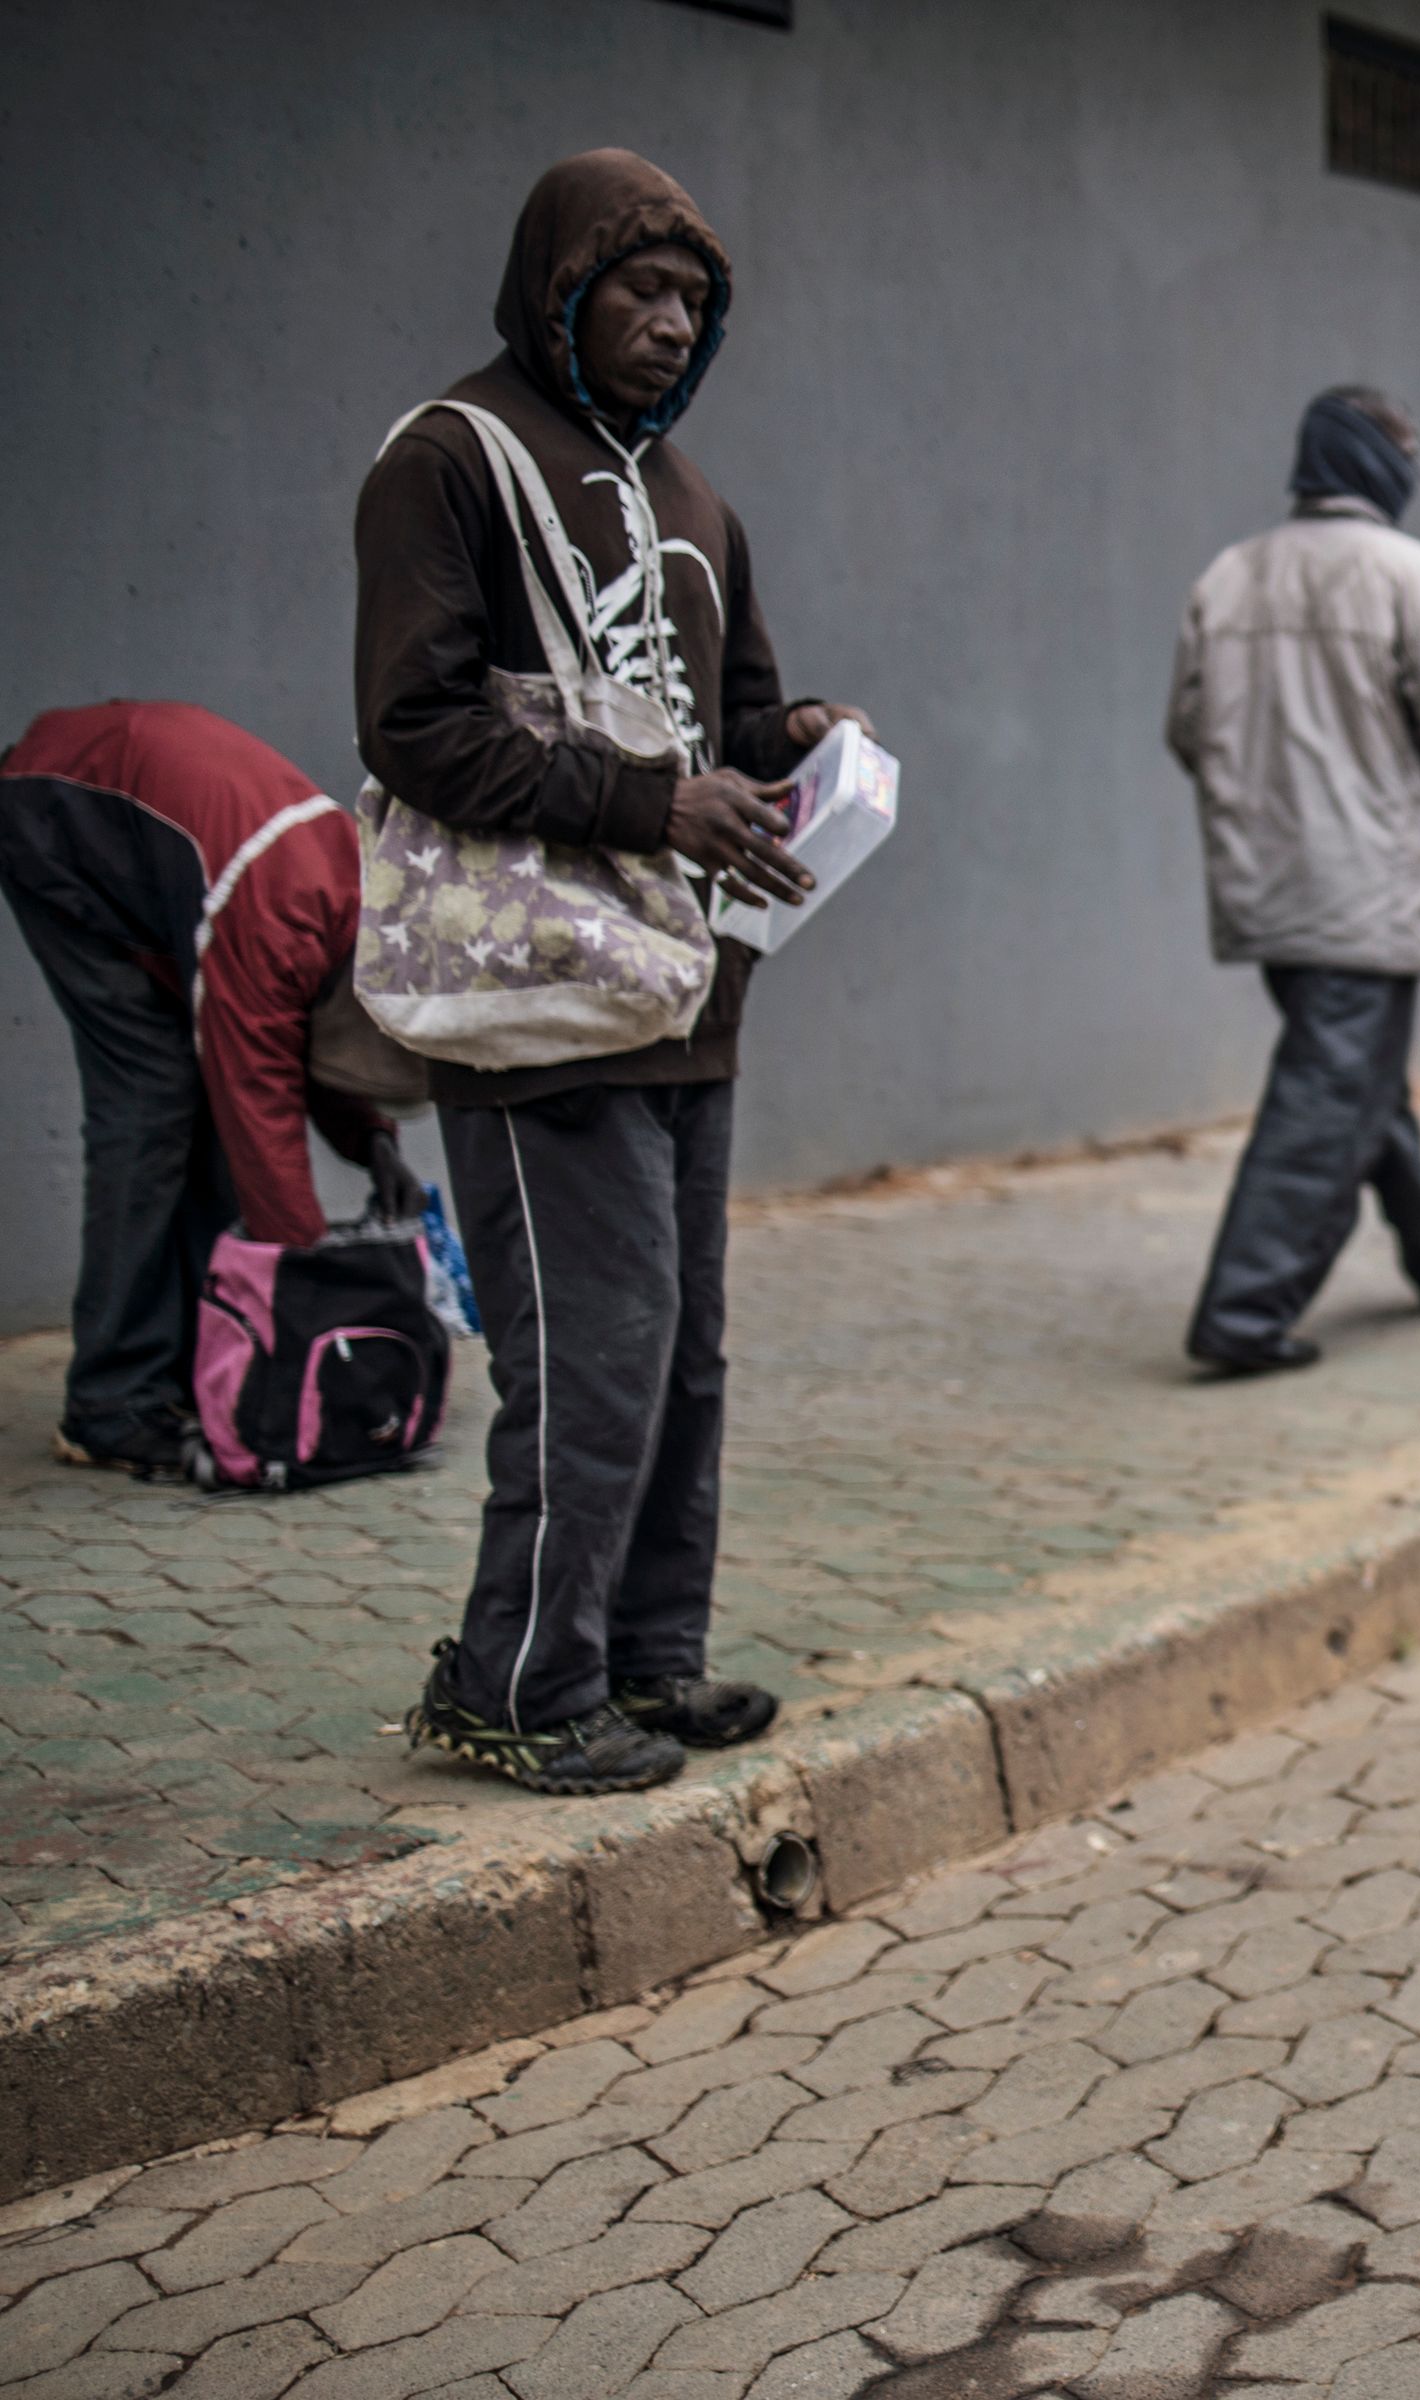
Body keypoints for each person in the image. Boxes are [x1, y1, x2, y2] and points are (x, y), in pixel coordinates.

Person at [356, 150, 871, 1796]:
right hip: (531, 998)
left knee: (678, 1351)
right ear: (558, 288)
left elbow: (734, 724)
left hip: (687, 989)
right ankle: (515, 1683)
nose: (670, 324)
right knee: (592, 1344)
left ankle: (648, 1664)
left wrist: (795, 744)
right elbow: (415, 728)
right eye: (641, 291)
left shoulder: (702, 504)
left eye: (695, 304)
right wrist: (655, 795)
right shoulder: (452, 459)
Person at [1164, 387, 1420, 1377]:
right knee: (1329, 1097)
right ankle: (1242, 1309)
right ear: (1370, 460)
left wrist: (1260, 810)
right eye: (1405, 446)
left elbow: (1187, 729)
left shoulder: (1226, 578)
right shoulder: (1415, 578)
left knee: (1353, 1084)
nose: (1414, 463)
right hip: (1363, 894)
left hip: (1263, 892)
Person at [2, 701, 420, 1478]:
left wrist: (372, 1142)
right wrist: (304, 1294)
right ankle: (110, 1403)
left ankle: (204, 1364)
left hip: (151, 838)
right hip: (59, 817)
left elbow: (306, 1032)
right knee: (149, 1101)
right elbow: (261, 1100)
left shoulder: (356, 913)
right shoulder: (276, 919)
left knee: (196, 1102)